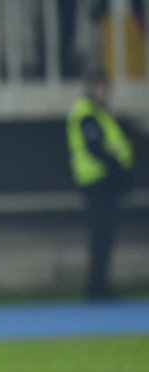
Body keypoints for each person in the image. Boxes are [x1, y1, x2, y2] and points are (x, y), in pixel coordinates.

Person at [66, 69, 134, 300]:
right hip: (96, 181)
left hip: (104, 181)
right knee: (101, 235)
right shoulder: (87, 114)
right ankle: (97, 287)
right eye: (100, 88)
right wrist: (116, 167)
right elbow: (95, 147)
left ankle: (100, 285)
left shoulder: (98, 112)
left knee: (105, 236)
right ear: (91, 89)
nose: (104, 93)